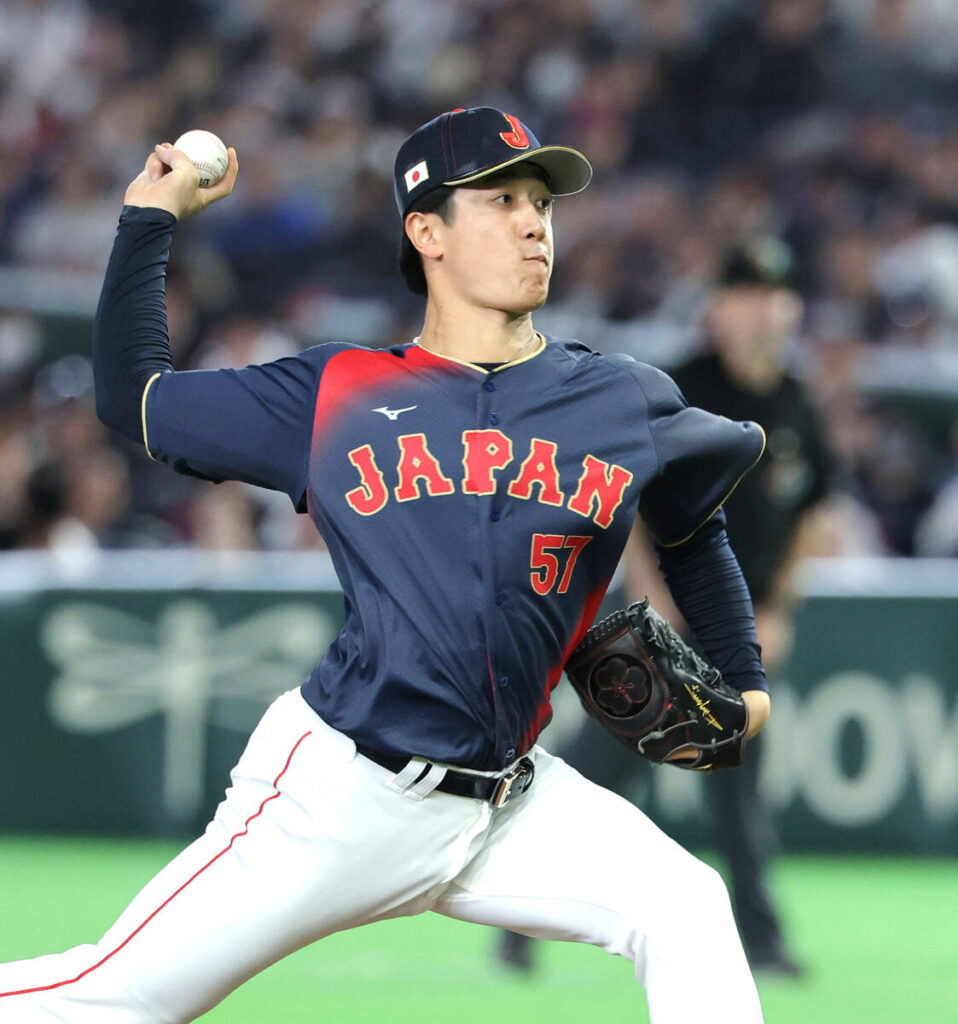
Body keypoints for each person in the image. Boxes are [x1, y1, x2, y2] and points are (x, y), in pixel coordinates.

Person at [0, 107, 771, 1024]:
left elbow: (692, 526)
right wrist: (149, 221)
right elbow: (137, 398)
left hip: (509, 804)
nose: (535, 222)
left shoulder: (622, 399)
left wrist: (743, 678)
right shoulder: (335, 395)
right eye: (501, 200)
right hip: (342, 795)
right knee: (109, 998)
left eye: (543, 203)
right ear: (426, 231)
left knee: (684, 905)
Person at [497, 235, 834, 978]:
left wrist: (776, 609)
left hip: (735, 632)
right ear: (719, 307)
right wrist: (650, 596)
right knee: (592, 784)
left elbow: (812, 512)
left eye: (777, 296)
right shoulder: (682, 385)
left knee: (741, 796)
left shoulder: (798, 402)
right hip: (663, 621)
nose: (766, 311)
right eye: (748, 295)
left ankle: (765, 943)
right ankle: (516, 920)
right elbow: (636, 500)